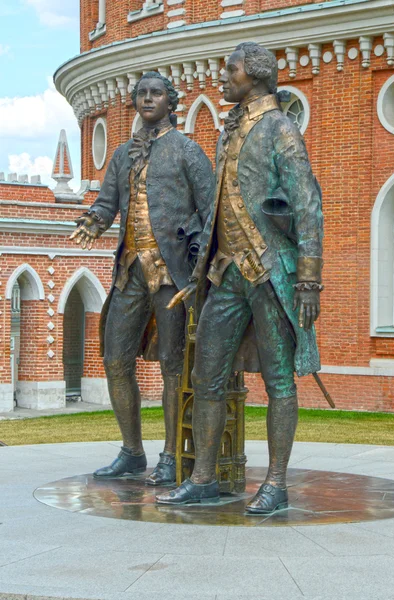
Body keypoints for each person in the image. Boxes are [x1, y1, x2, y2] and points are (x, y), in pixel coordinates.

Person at [157, 43, 323, 512]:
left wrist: (309, 280)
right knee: (208, 373)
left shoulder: (280, 128)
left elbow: (307, 203)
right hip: (226, 272)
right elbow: (218, 208)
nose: (223, 76)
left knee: (279, 382)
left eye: (231, 69)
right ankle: (204, 478)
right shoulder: (228, 131)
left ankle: (275, 484)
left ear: (255, 75)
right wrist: (197, 273)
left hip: (269, 274)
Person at [70, 72, 214, 486]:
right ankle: (132, 452)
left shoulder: (187, 151)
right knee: (115, 359)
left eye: (156, 93)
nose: (147, 99)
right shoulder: (122, 154)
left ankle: (170, 455)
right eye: (141, 94)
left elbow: (210, 213)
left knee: (172, 366)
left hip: (171, 275)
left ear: (171, 101)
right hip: (130, 271)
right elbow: (106, 204)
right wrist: (94, 222)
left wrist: (199, 271)